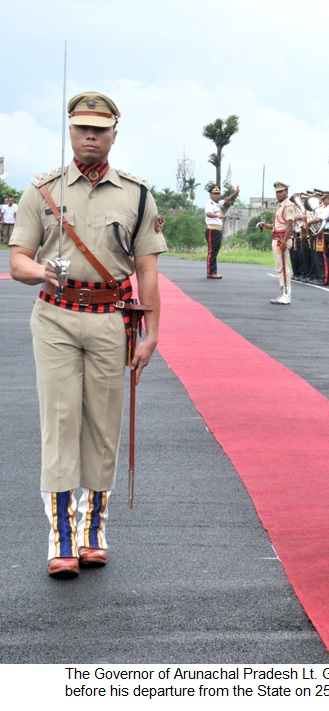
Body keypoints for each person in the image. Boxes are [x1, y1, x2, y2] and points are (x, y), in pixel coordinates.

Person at [7, 91, 166, 578]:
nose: (90, 136)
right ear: (70, 131)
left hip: (110, 320)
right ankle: (60, 536)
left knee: (103, 425)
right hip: (55, 316)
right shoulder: (42, 189)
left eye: (99, 129)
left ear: (114, 133)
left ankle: (93, 528)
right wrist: (37, 273)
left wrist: (151, 332)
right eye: (81, 128)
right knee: (59, 424)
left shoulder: (136, 193)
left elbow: (147, 269)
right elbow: (17, 260)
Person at [256, 182, 297, 304]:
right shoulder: (280, 206)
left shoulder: (288, 206)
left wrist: (284, 242)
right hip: (277, 237)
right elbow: (278, 225)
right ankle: (282, 292)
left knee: (283, 267)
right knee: (280, 267)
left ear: (286, 192)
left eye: (281, 191)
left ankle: (285, 294)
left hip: (281, 239)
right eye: (277, 192)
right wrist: (265, 225)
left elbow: (289, 225)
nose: (278, 194)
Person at [204, 184, 240, 279]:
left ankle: (213, 272)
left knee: (215, 251)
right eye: (215, 193)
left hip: (218, 230)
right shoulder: (209, 203)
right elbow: (208, 213)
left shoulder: (217, 204)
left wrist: (235, 193)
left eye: (218, 193)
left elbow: (227, 199)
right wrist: (218, 216)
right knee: (212, 251)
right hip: (212, 230)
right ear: (211, 195)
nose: (217, 195)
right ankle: (211, 272)